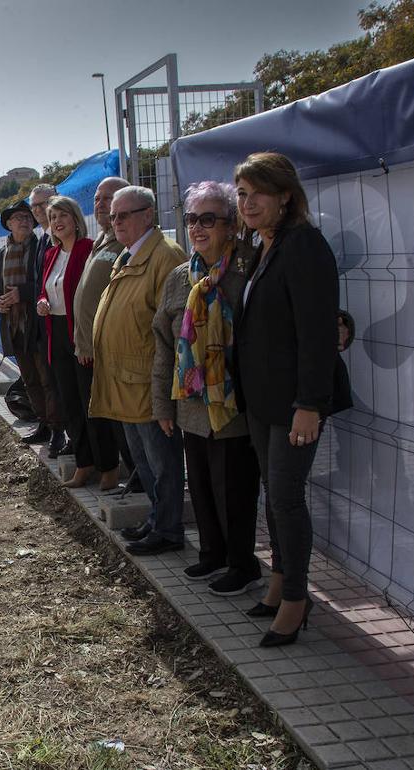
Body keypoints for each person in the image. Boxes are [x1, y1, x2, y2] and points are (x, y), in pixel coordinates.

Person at [233, 151, 351, 647]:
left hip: (295, 402)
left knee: (285, 499)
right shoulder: (261, 246)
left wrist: (310, 403)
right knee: (273, 497)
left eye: (257, 192)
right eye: (241, 194)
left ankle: (298, 600)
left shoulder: (305, 246)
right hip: (262, 398)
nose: (247, 203)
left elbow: (317, 331)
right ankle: (280, 581)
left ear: (285, 195)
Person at [151, 181, 262, 596]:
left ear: (232, 225)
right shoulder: (181, 277)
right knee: (198, 483)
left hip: (236, 405)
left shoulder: (250, 267)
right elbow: (163, 343)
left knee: (233, 487)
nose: (198, 228)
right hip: (193, 405)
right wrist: (162, 402)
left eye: (209, 220)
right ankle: (212, 554)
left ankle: (242, 564)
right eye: (192, 219)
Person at [89, 186, 188, 555]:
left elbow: (173, 328)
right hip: (125, 381)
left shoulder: (165, 257)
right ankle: (156, 518)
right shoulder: (129, 254)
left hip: (149, 382)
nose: (115, 222)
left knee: (162, 462)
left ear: (148, 215)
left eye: (123, 215)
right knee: (143, 461)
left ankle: (168, 529)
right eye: (113, 217)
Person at [70, 176, 132, 491]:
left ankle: (122, 473)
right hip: (87, 345)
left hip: (107, 348)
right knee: (94, 412)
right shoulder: (101, 241)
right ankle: (107, 467)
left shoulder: (125, 242)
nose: (101, 204)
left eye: (109, 198)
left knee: (115, 418)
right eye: (97, 198)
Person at [34, 196, 96, 486]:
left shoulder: (87, 249)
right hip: (56, 332)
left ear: (75, 218)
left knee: (87, 399)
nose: (57, 222)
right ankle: (83, 461)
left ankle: (100, 462)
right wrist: (43, 301)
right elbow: (46, 290)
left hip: (78, 332)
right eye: (53, 216)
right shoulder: (51, 254)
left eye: (62, 215)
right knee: (68, 400)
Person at [0, 200, 54, 443]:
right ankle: (43, 424)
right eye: (19, 218)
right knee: (30, 380)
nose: (25, 221)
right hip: (15, 327)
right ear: (9, 224)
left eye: (28, 217)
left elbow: (48, 283)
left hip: (37, 325)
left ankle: (57, 428)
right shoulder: (0, 255)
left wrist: (22, 293)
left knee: (47, 379)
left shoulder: (42, 248)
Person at [27, 183, 66, 458]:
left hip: (64, 324)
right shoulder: (41, 239)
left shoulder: (64, 239)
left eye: (44, 204)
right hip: (45, 322)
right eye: (35, 206)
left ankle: (63, 433)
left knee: (64, 384)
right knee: (49, 379)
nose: (39, 210)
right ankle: (56, 430)